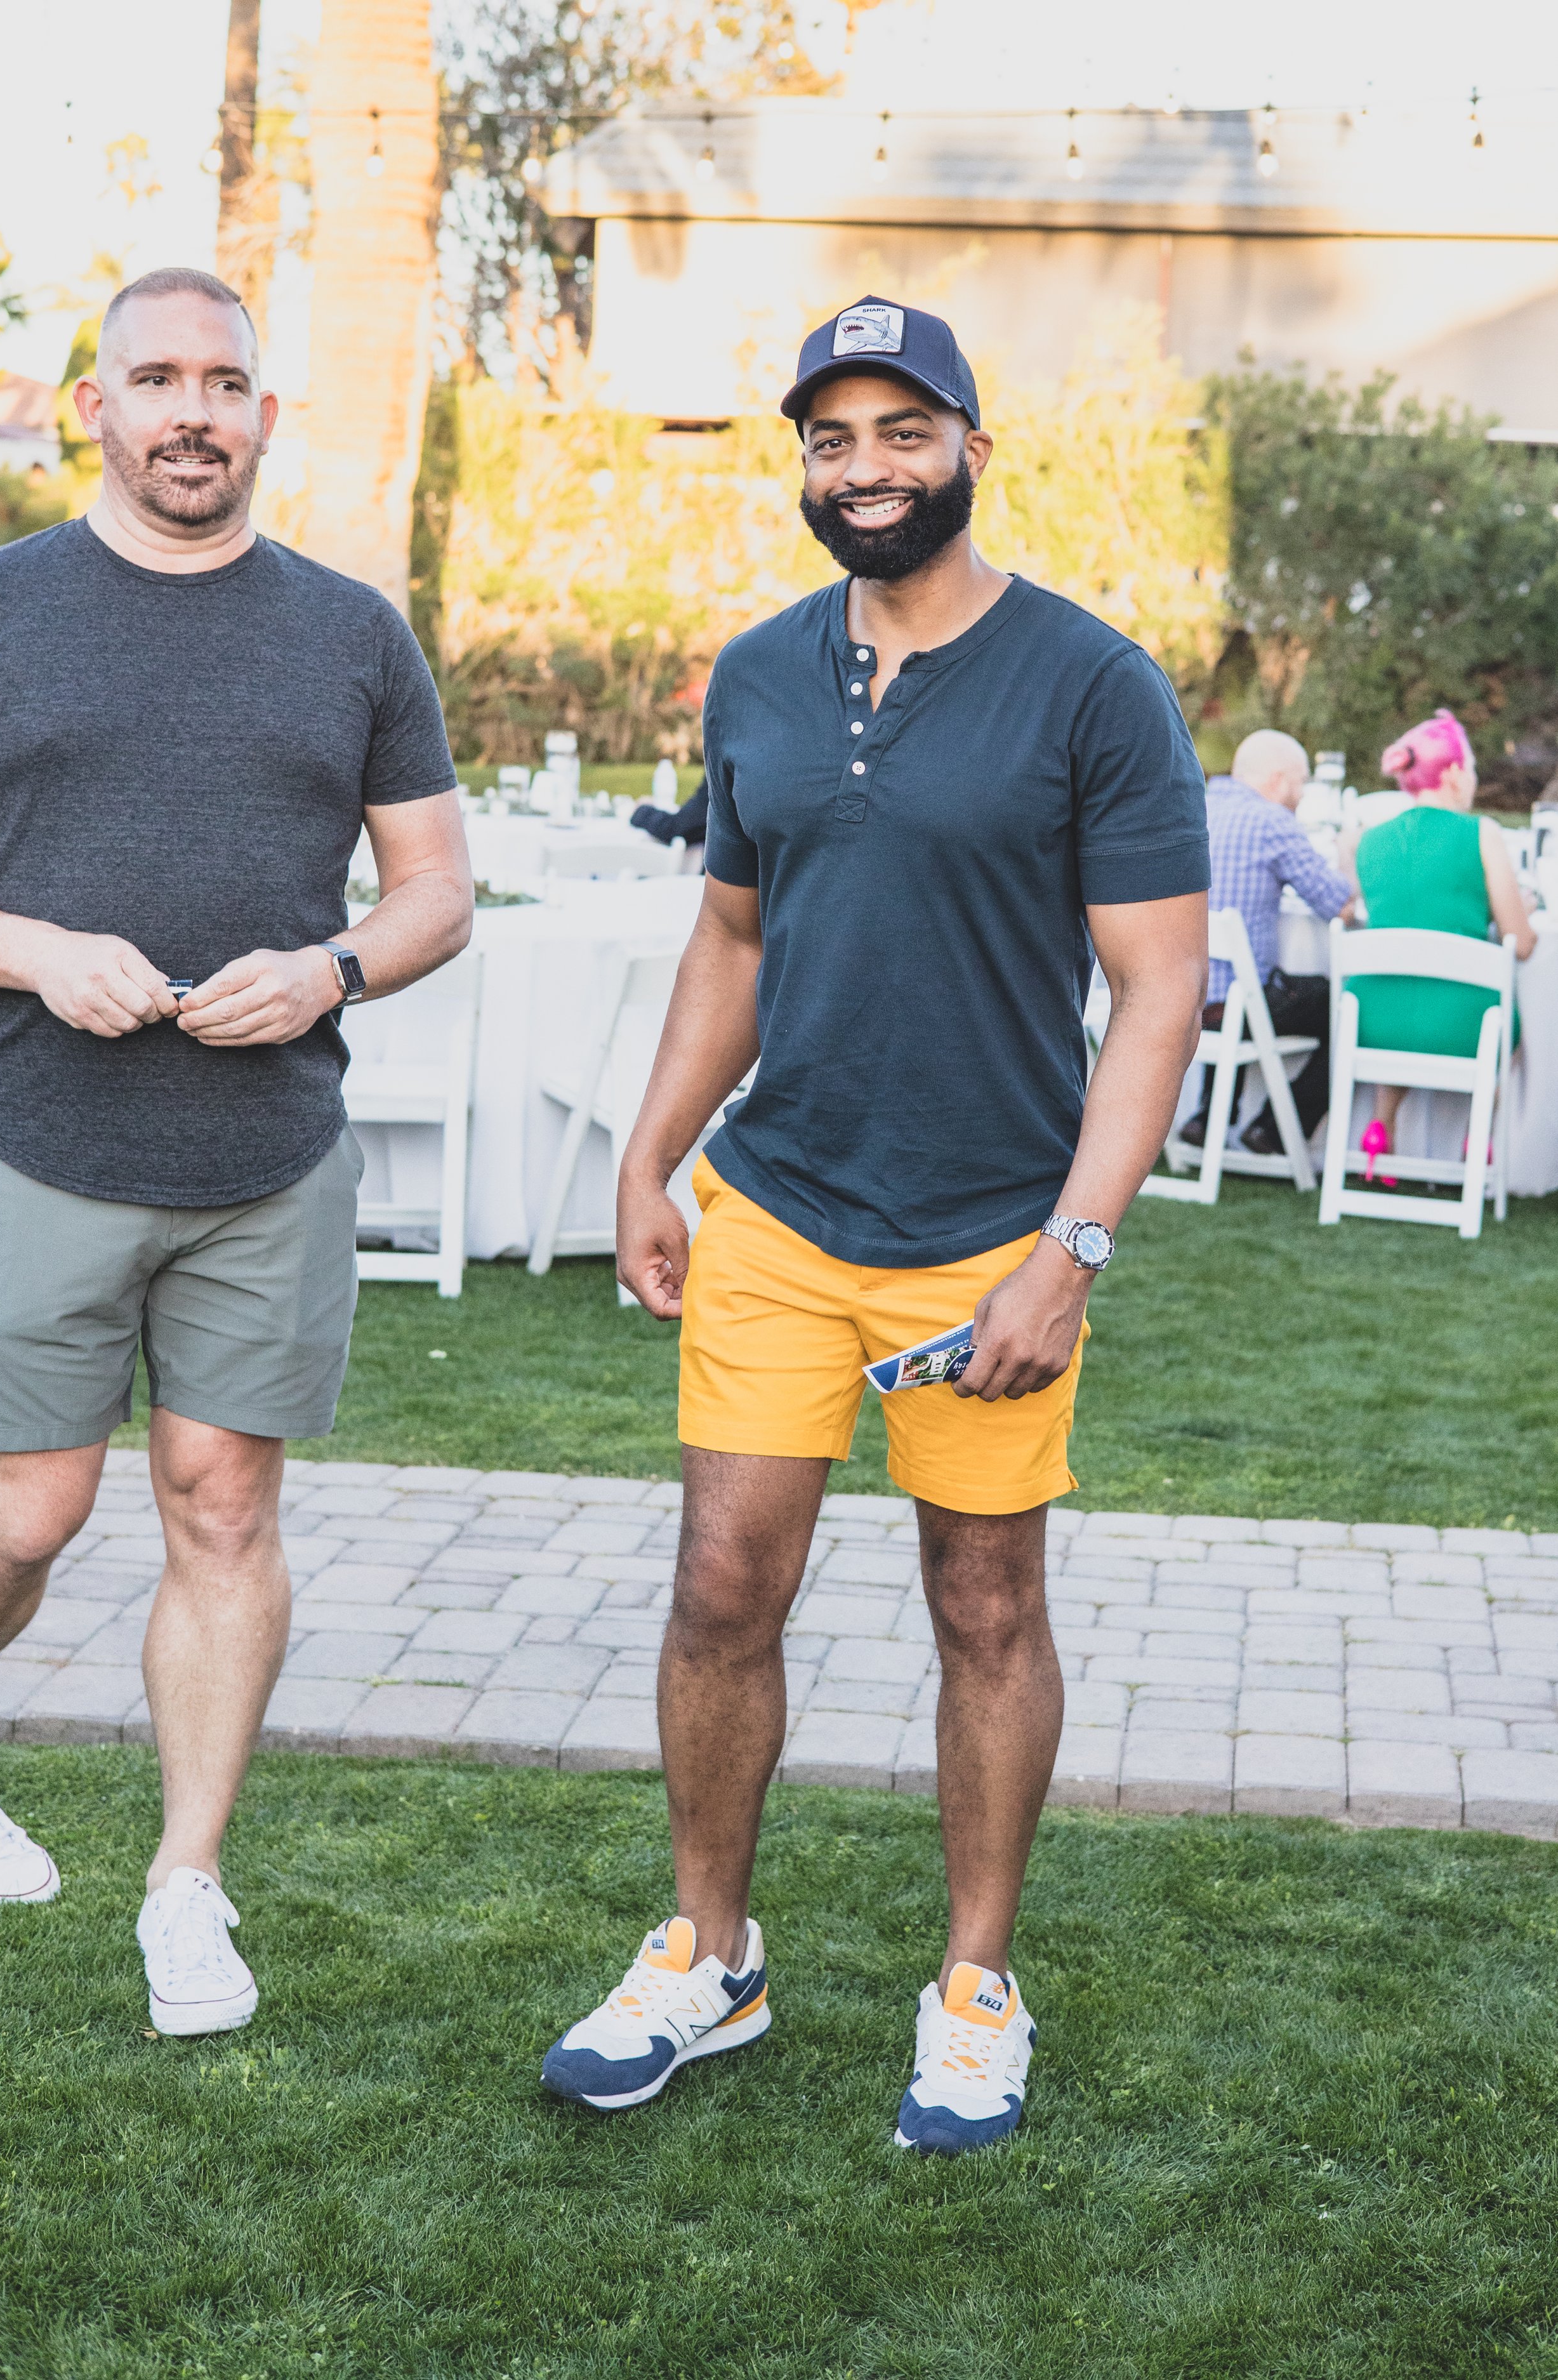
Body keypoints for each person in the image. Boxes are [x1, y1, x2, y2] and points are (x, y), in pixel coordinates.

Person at [539, 295, 1210, 2154]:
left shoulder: (1090, 683)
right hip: (776, 1209)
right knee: (717, 1587)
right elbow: (729, 938)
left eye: (900, 432)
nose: (863, 470)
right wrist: (645, 1151)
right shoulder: (752, 674)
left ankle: (974, 1981)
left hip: (983, 1232)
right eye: (829, 441)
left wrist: (1066, 1248)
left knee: (982, 1605)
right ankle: (706, 1948)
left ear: (972, 451)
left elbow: (1159, 988)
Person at [0, 269, 471, 2030]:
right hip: (31, 1135)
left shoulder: (350, 633)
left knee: (223, 1501)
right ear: (91, 406)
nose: (195, 410)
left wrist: (330, 964)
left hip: (266, 1151)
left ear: (267, 416)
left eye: (228, 381)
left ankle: (187, 1880)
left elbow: (435, 891)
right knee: (23, 1509)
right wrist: (37, 948)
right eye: (159, 378)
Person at [1355, 709, 1535, 1173]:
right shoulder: (1482, 834)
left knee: (1405, 999)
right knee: (1507, 1026)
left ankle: (1381, 1131)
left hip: (1374, 1023)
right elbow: (1522, 944)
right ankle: (1479, 1138)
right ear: (1454, 773)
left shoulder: (1369, 840)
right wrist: (1522, 907)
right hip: (1463, 1028)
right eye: (1471, 769)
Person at [1178, 729, 1355, 1156]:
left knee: (1236, 980)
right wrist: (1349, 852)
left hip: (1182, 994)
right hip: (1234, 1008)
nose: (1301, 795)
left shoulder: (1191, 808)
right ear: (1279, 780)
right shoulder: (1274, 822)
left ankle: (1208, 1117)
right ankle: (1276, 1128)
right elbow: (1340, 905)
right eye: (1301, 782)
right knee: (1347, 1006)